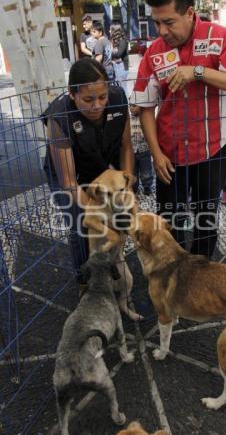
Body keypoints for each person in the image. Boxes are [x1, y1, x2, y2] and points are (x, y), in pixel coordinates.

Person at [130, 0, 226, 258]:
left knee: (205, 217)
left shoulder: (221, 38)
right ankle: (172, 277)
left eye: (168, 22)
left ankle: (200, 277)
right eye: (156, 23)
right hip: (169, 154)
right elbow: (145, 107)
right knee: (169, 220)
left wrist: (198, 72)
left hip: (213, 150)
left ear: (189, 13)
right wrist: (156, 153)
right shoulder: (153, 53)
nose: (162, 31)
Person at [42, 58, 133, 287]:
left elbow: (126, 146)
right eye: (88, 99)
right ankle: (85, 283)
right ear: (72, 94)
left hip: (102, 165)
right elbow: (69, 182)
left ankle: (112, 265)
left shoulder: (118, 99)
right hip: (70, 175)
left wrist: (127, 185)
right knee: (81, 225)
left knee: (118, 218)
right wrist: (100, 213)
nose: (97, 105)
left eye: (102, 97)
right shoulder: (59, 118)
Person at [129, 104, 154, 195]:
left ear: (142, 106)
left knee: (146, 170)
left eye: (135, 105)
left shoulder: (146, 119)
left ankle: (147, 186)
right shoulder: (127, 120)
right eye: (130, 105)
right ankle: (134, 186)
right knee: (133, 170)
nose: (132, 108)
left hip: (144, 150)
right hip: (132, 151)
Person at [110, 23, 129, 96]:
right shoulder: (116, 42)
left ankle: (126, 104)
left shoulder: (122, 41)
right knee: (119, 87)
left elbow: (119, 54)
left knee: (123, 87)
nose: (109, 31)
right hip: (118, 66)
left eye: (110, 30)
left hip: (122, 67)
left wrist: (109, 54)